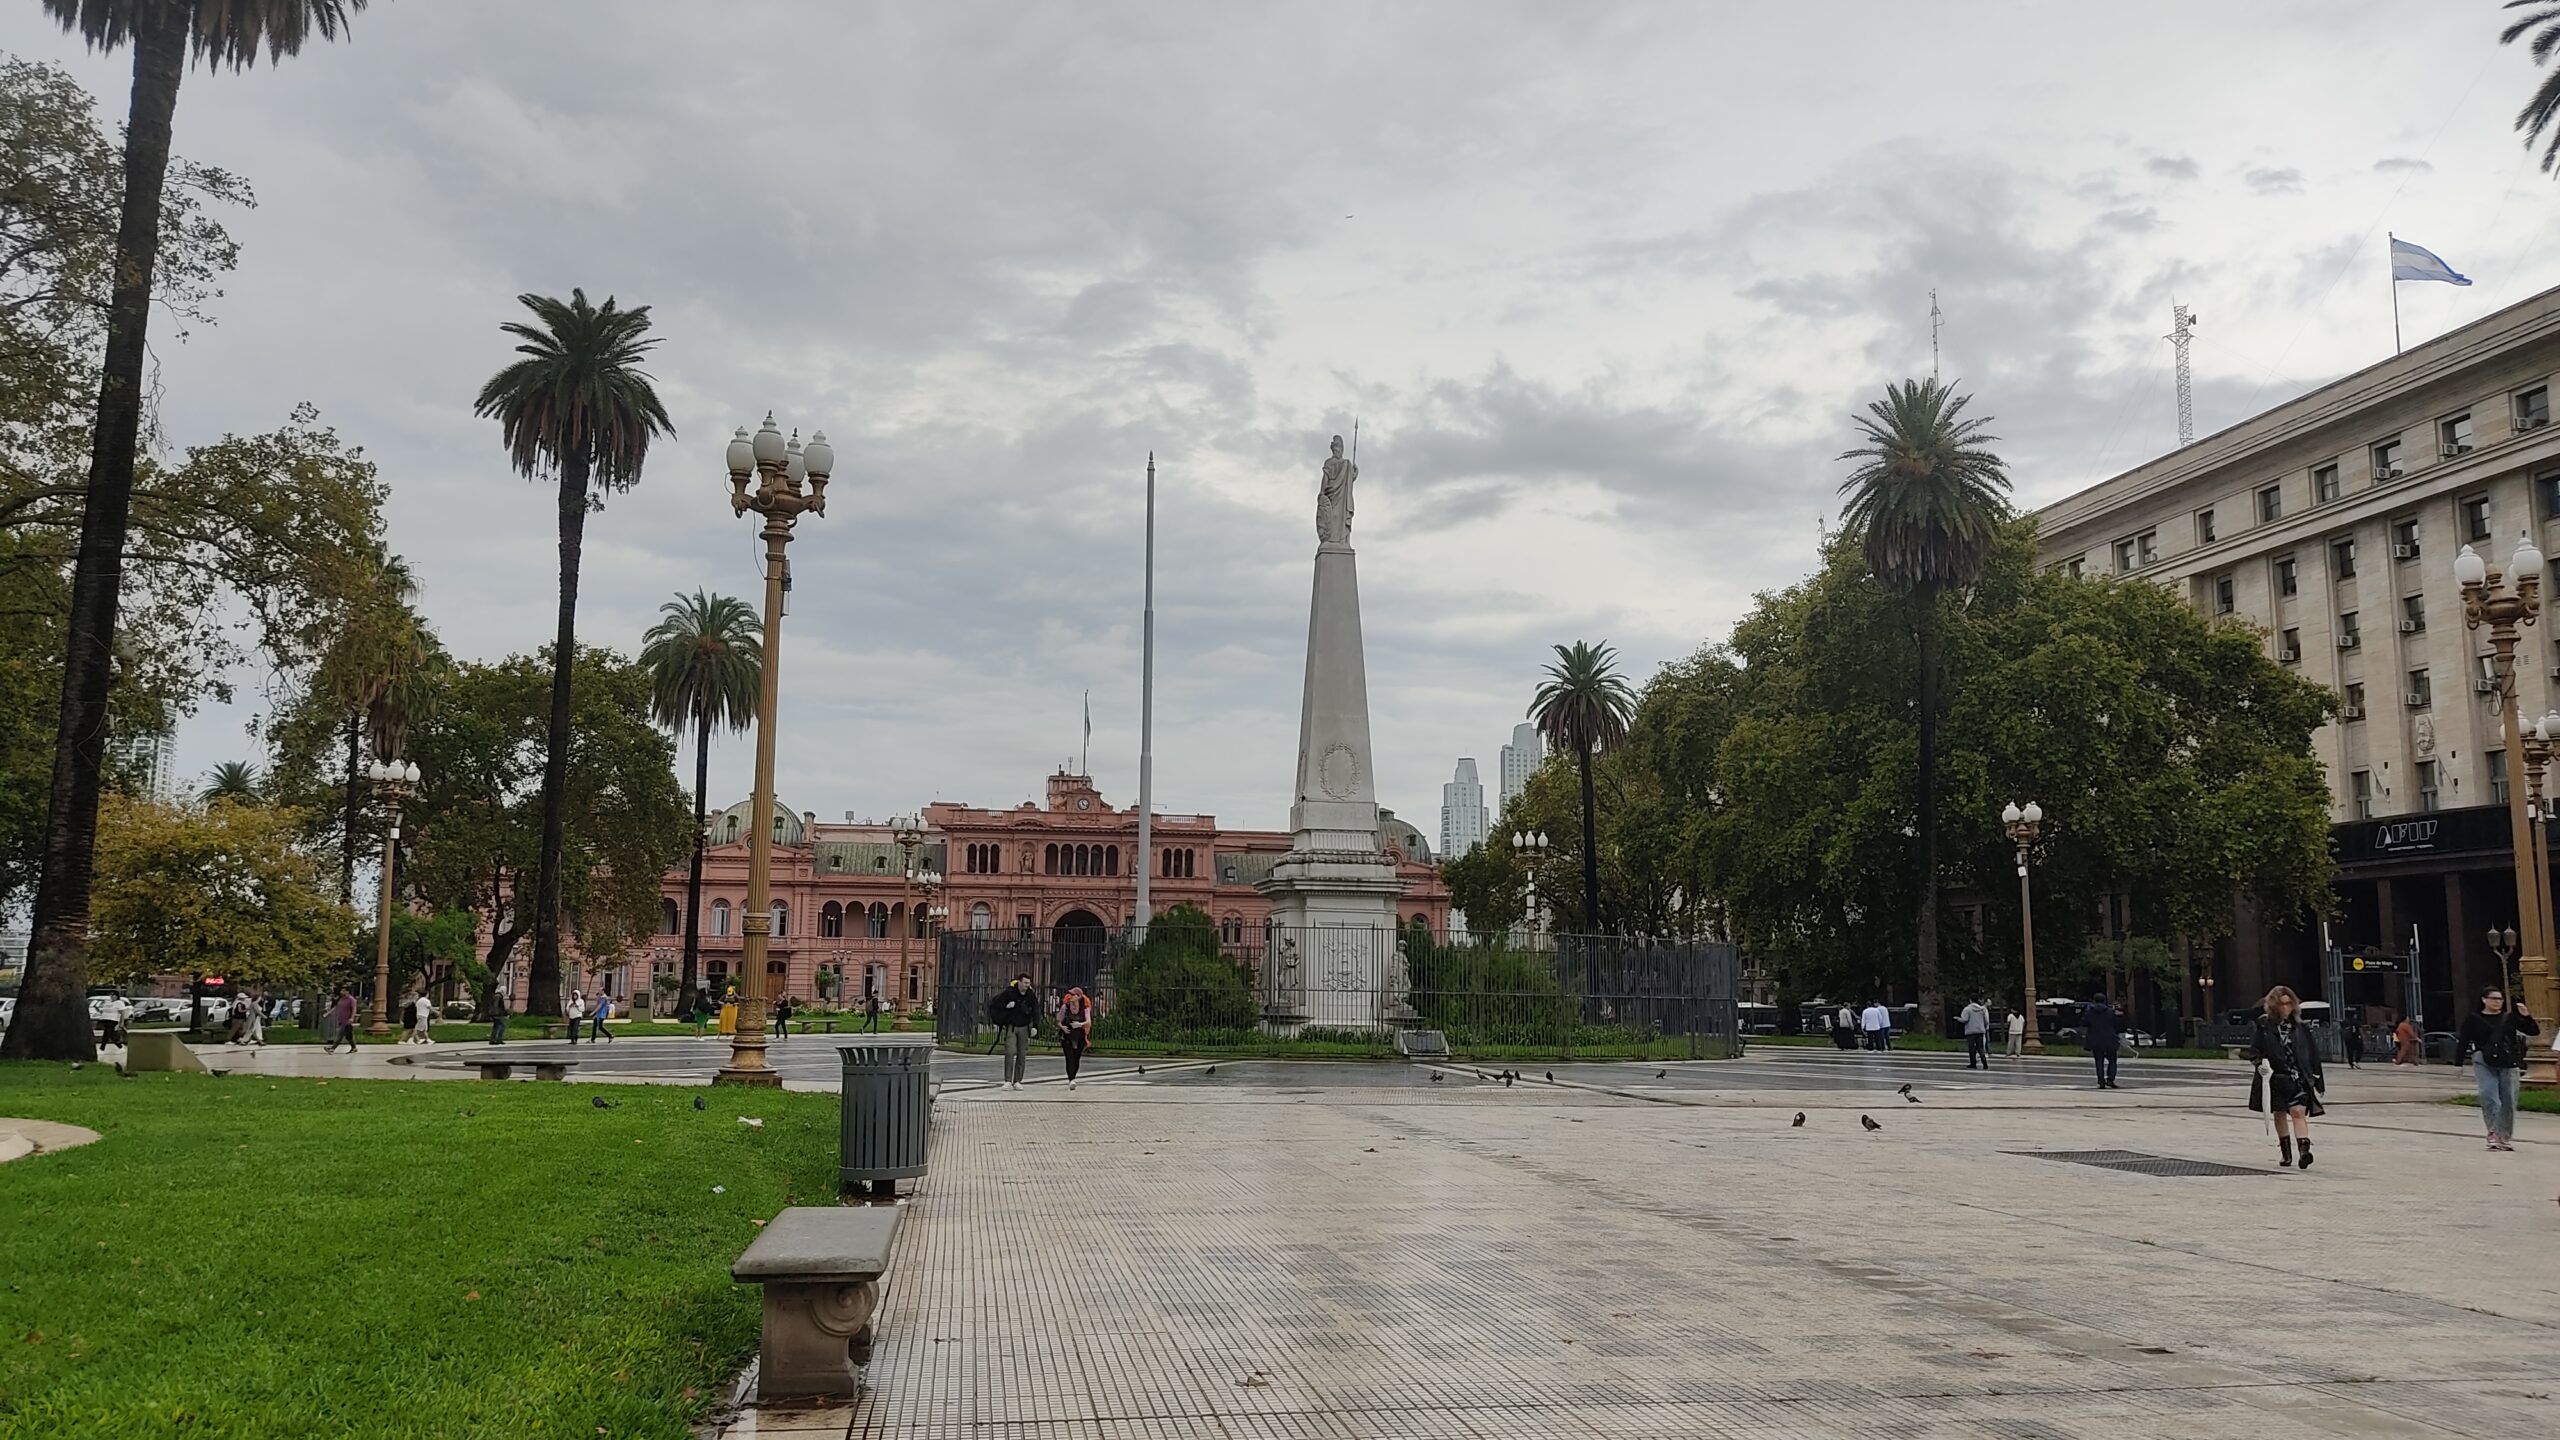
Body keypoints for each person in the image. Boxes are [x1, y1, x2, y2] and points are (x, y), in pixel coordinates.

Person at [2248, 986, 2326, 1168]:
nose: (2286, 1007)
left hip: (2297, 1076)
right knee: (2280, 1113)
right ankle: (2286, 1153)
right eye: (2282, 1004)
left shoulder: (2300, 1027)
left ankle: (2304, 1150)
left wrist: (2317, 1078)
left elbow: (2312, 1053)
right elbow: (2254, 1050)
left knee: (2298, 1112)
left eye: (2289, 1003)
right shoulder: (2264, 1026)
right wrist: (2260, 1064)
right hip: (2276, 1077)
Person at [2456, 986, 2538, 1151]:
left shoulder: (2509, 1017)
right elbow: (2463, 1040)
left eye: (2500, 999)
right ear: (2484, 999)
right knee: (2489, 1096)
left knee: (2508, 1100)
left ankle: (2504, 1137)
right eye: (2493, 998)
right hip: (2483, 1061)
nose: (2497, 1002)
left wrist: (2526, 1016)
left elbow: (2533, 1031)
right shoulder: (2473, 1018)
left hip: (2508, 1062)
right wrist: (2458, 1064)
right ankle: (2493, 1133)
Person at [987, 974, 1041, 1090]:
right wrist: (1007, 1006)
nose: (1027, 985)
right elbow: (996, 1003)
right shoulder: (1009, 993)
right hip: (1012, 1027)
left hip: (1024, 1027)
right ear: (1019, 982)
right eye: (1025, 983)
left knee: (1022, 1054)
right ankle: (1007, 1080)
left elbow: (1036, 1010)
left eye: (1028, 983)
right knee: (1010, 1052)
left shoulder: (1030, 995)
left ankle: (1017, 1080)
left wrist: (1035, 1026)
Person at [1057, 985, 1097, 1089]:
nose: (1070, 996)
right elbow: (1058, 1021)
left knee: (1076, 1057)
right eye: (1069, 994)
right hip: (1067, 1035)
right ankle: (1071, 1079)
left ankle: (1073, 1076)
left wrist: (1080, 1024)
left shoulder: (1085, 1008)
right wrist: (1063, 1027)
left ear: (1078, 996)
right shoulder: (1065, 1007)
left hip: (1079, 1035)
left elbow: (1088, 1021)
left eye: (1073, 995)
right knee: (1069, 1057)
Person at [1959, 995, 1991, 1070]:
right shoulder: (1982, 1009)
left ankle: (1973, 1063)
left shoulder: (1967, 1009)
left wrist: (1958, 1019)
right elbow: (1986, 1020)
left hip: (1971, 1031)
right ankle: (1984, 1063)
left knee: (1971, 1048)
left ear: (1970, 1000)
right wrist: (1985, 1026)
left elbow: (1965, 1019)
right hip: (1980, 1030)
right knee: (1980, 1048)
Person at [322, 988, 358, 1053]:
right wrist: (328, 1013)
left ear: (347, 991)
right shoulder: (342, 999)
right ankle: (354, 1048)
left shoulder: (351, 999)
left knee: (340, 1034)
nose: (341, 992)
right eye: (341, 990)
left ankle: (332, 1048)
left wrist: (352, 1018)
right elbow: (336, 1007)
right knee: (348, 1036)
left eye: (343, 990)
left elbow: (354, 1009)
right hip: (341, 1020)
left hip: (347, 1020)